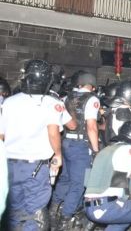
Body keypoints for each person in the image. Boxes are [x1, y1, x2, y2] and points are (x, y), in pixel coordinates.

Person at [0, 59, 64, 230]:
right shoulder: (51, 103)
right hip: (35, 168)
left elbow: (1, 135)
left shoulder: (9, 102)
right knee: (34, 212)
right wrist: (58, 155)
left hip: (9, 164)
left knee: (13, 209)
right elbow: (53, 133)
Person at [83, 120, 131, 231]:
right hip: (106, 206)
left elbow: (130, 177)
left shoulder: (106, 150)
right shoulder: (127, 150)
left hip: (90, 206)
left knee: (124, 220)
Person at [51, 71, 101, 230]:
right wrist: (95, 150)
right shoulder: (92, 99)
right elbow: (91, 127)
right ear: (92, 86)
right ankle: (66, 218)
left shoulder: (66, 98)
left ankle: (53, 210)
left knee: (65, 179)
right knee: (78, 184)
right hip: (80, 146)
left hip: (65, 142)